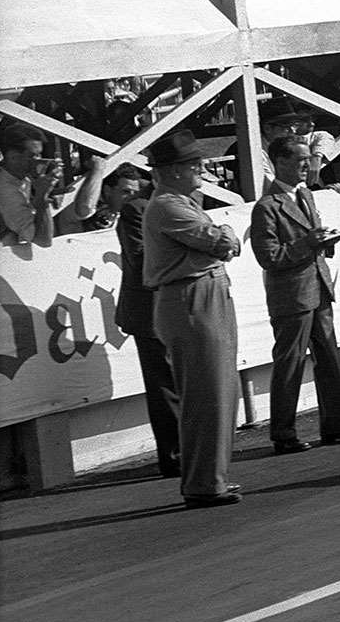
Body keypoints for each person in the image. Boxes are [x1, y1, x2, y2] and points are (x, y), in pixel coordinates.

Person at [143, 130, 245, 506]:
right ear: (170, 171)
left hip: (204, 293)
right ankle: (204, 482)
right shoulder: (168, 205)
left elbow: (225, 239)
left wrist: (226, 235)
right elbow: (222, 242)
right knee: (207, 393)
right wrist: (227, 234)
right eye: (192, 164)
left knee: (220, 389)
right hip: (190, 297)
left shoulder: (182, 202)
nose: (200, 168)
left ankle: (210, 477)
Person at [249, 129, 340, 453]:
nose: (307, 165)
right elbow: (268, 257)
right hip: (292, 295)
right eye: (300, 160)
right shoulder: (267, 207)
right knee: (290, 363)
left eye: (307, 159)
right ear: (279, 163)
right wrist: (309, 242)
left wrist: (326, 242)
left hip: (317, 286)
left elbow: (307, 242)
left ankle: (339, 425)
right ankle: (283, 434)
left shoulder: (305, 195)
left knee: (329, 357)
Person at [94, 166, 183, 477]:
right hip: (149, 310)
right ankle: (175, 455)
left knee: (175, 382)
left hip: (168, 305)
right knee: (165, 384)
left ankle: (185, 451)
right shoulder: (138, 208)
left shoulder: (170, 203)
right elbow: (142, 257)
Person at [0, 123, 64, 247]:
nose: (39, 160)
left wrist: (52, 191)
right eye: (33, 156)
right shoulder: (4, 189)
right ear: (13, 157)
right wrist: (43, 196)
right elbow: (43, 240)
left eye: (40, 155)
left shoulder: (17, 174)